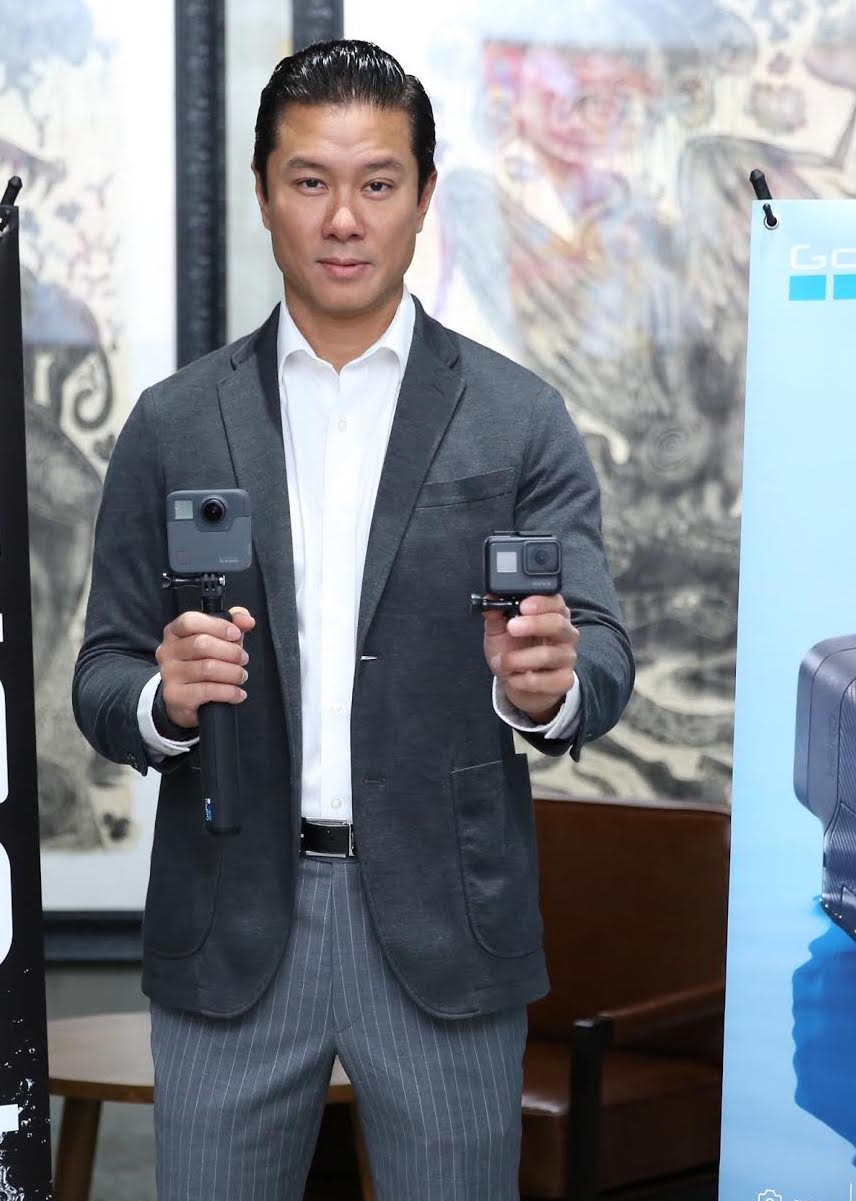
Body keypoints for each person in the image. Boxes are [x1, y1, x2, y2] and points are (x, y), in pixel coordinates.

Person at [72, 39, 633, 1199]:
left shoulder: (515, 418)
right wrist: (162, 698)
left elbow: (602, 656)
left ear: (422, 199)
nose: (342, 218)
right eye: (309, 181)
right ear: (263, 194)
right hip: (230, 923)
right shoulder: (174, 422)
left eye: (377, 183)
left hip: (442, 923)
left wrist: (549, 687)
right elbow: (103, 675)